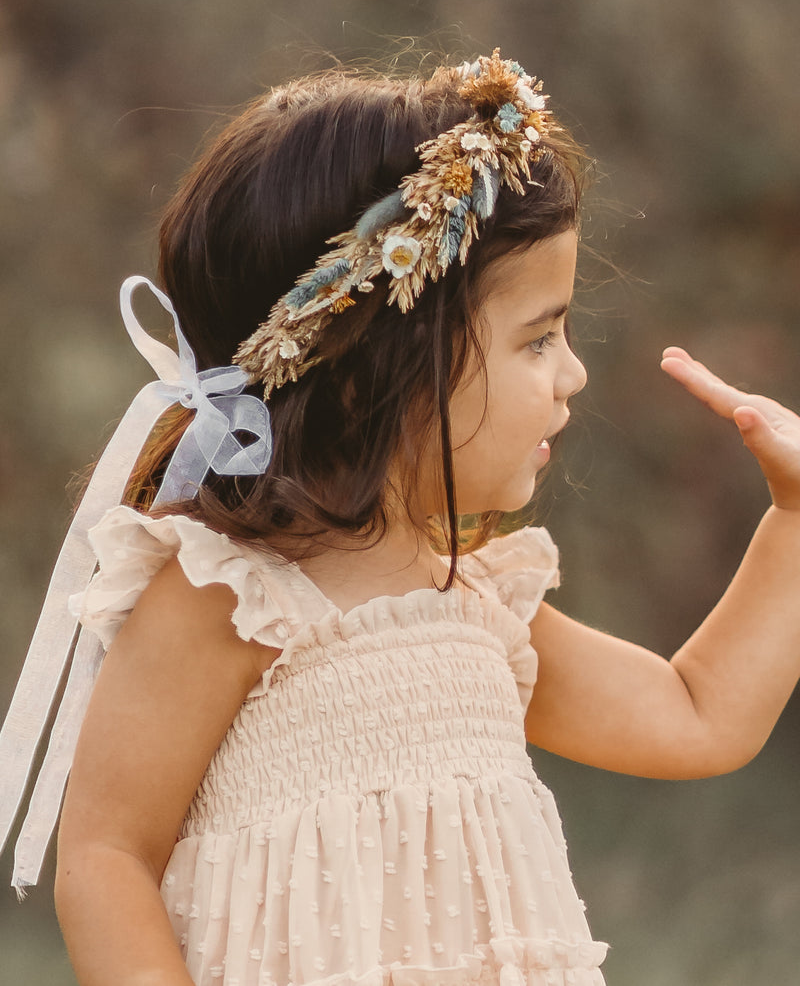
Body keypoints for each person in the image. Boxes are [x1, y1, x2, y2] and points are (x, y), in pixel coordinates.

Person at [1, 50, 799, 986]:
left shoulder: (475, 601)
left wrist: (794, 514)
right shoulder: (237, 596)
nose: (573, 374)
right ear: (382, 362)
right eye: (539, 338)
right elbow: (107, 858)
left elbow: (696, 715)